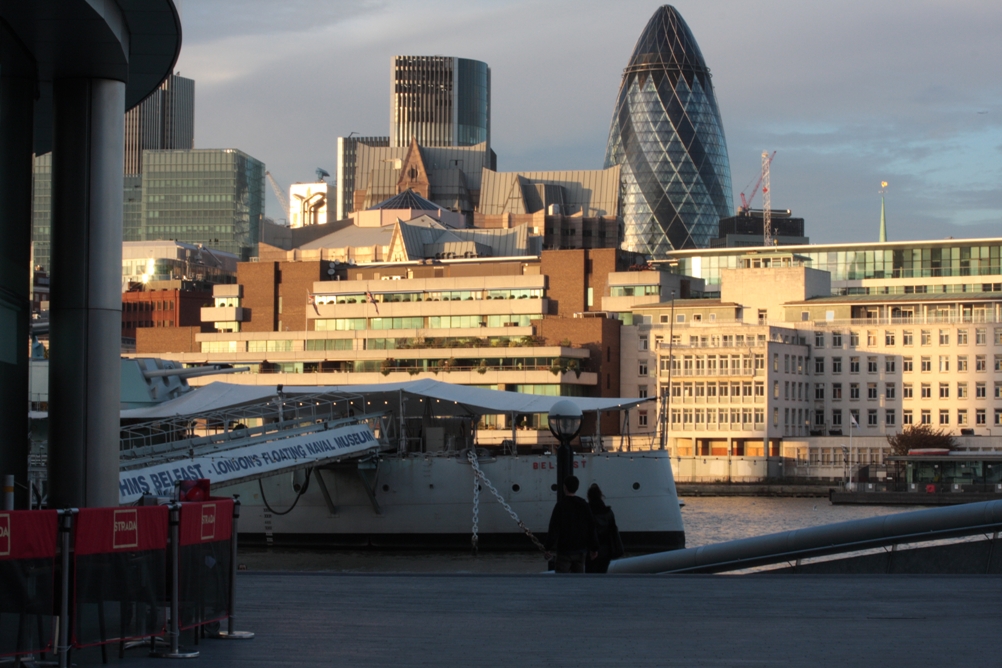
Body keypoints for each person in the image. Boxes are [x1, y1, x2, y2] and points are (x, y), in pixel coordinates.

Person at [544, 475, 598, 573]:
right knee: (578, 581)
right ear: (577, 487)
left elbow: (553, 529)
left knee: (561, 581)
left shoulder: (560, 506)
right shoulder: (584, 505)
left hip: (564, 551)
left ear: (565, 487)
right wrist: (594, 548)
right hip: (580, 550)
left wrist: (547, 547)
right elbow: (591, 527)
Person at [585, 483, 624, 573]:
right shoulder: (608, 512)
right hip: (606, 550)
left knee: (589, 575)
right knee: (602, 574)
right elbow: (613, 530)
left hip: (590, 550)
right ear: (600, 495)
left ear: (589, 496)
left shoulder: (587, 511)